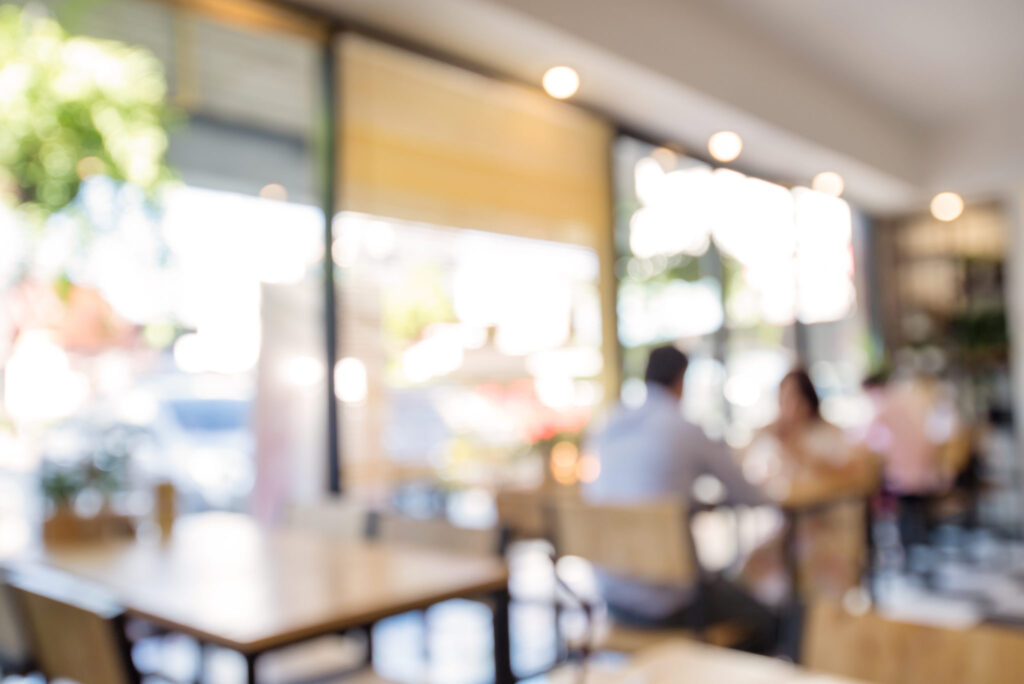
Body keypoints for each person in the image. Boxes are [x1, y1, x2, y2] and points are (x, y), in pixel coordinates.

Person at [584, 345, 777, 653]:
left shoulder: (608, 425)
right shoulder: (681, 427)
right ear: (681, 379)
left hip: (611, 599)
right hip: (666, 604)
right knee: (771, 620)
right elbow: (746, 492)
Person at [741, 369, 872, 604]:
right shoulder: (778, 439)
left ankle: (801, 626)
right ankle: (776, 627)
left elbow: (852, 472)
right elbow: (749, 468)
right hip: (792, 525)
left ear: (807, 399)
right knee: (750, 562)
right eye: (783, 398)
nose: (788, 405)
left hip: (828, 526)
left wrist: (796, 449)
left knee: (799, 562)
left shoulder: (825, 432)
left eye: (794, 397)